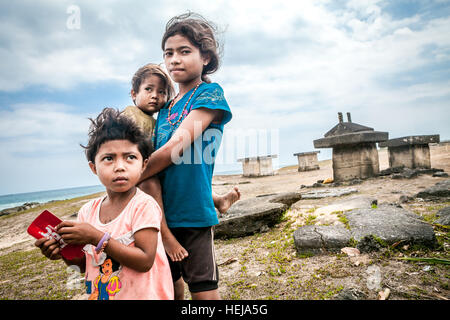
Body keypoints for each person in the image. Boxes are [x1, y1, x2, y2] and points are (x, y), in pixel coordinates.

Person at [138, 12, 232, 300]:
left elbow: (176, 147)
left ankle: (215, 201)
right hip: (161, 215)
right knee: (169, 287)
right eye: (168, 53)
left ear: (205, 57)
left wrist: (130, 177)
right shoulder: (164, 108)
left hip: (192, 213)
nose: (174, 59)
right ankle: (219, 199)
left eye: (184, 51)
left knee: (203, 292)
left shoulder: (210, 94)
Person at [34, 108, 174, 300]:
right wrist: (63, 253)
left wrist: (97, 237)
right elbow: (85, 265)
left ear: (143, 164)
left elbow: (145, 261)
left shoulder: (143, 206)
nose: (120, 166)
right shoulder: (87, 212)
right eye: (108, 158)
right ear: (94, 167)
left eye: (130, 157)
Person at [124, 63, 240, 263]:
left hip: (157, 167)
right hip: (143, 170)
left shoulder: (160, 117)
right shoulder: (131, 115)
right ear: (134, 93)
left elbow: (175, 148)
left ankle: (219, 200)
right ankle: (167, 236)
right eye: (148, 90)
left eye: (161, 92)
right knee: (149, 183)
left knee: (178, 171)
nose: (155, 96)